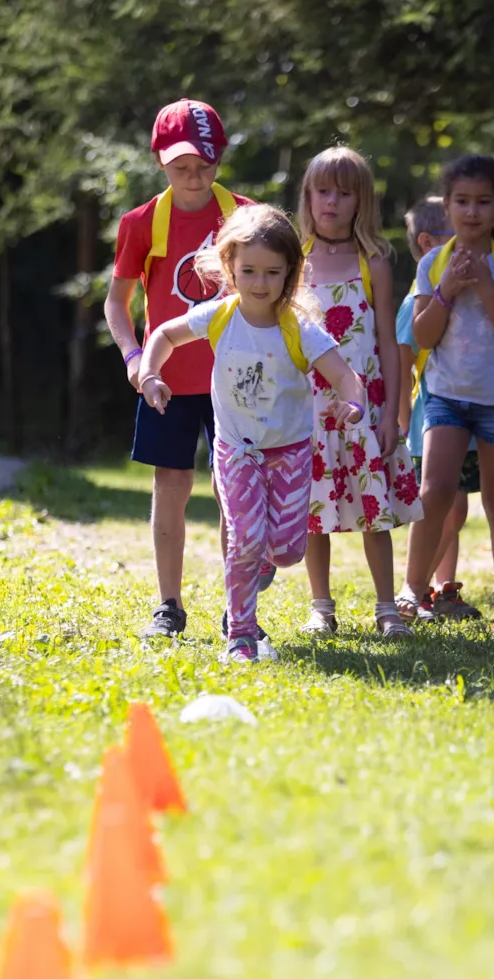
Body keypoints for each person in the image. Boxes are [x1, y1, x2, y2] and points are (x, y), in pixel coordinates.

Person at [137, 205, 367, 663]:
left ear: (290, 272)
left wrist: (353, 405)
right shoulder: (220, 316)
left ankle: (262, 557)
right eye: (249, 271)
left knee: (286, 552)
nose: (260, 283)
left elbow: (346, 376)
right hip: (235, 451)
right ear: (230, 268)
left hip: (291, 452)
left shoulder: (298, 329)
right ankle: (240, 636)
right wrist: (149, 374)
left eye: (272, 273)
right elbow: (163, 335)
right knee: (244, 539)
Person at [104, 99, 276, 642]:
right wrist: (135, 358)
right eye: (181, 166)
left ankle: (238, 608)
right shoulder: (140, 223)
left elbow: (276, 289)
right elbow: (117, 303)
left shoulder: (247, 217)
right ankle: (168, 605)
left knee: (236, 493)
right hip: (168, 381)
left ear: (220, 158)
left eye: (205, 164)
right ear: (160, 161)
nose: (194, 177)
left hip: (238, 380)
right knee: (172, 483)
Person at [397, 155, 494, 635]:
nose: (472, 211)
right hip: (446, 397)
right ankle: (410, 594)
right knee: (434, 492)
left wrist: (486, 286)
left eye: (483, 202)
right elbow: (423, 335)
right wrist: (447, 289)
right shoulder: (433, 264)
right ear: (448, 207)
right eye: (462, 201)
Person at [299, 147, 423, 639]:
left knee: (375, 510)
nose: (331, 202)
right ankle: (321, 607)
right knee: (313, 513)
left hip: (365, 409)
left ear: (361, 201)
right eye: (322, 191)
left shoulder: (374, 261)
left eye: (344, 193)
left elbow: (389, 342)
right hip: (310, 409)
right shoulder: (293, 260)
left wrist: (394, 412)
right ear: (308, 196)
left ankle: (387, 607)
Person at [397, 196, 481, 622]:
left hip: (467, 417)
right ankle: (414, 591)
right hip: (426, 423)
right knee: (444, 506)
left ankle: (443, 589)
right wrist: (399, 420)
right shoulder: (416, 300)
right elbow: (403, 361)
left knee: (455, 508)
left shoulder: (466, 296)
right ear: (430, 244)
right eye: (457, 235)